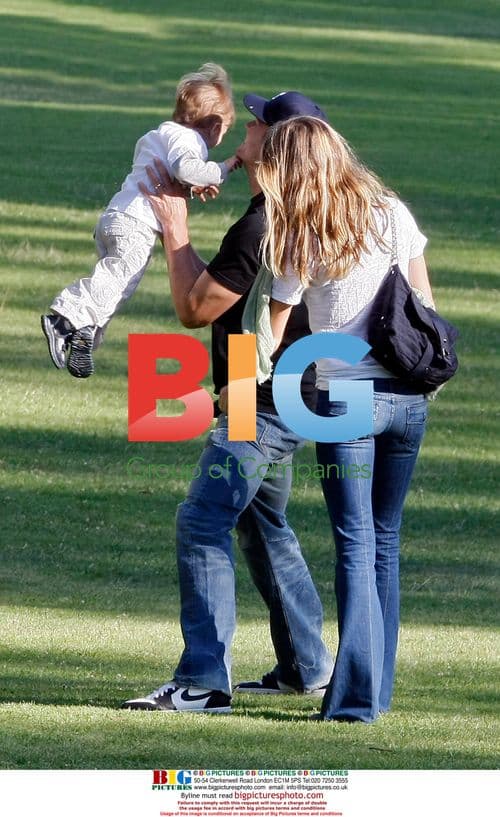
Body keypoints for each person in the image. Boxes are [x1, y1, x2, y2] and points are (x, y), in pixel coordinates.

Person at [121, 92, 334, 713]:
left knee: (202, 520)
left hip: (257, 396)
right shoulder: (293, 212)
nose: (247, 125)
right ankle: (306, 666)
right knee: (260, 522)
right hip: (292, 390)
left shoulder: (262, 227)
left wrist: (175, 227)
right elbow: (221, 297)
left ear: (277, 143)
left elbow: (194, 308)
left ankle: (203, 682)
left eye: (258, 121)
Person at [260, 116, 434, 723]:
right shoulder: (392, 212)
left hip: (349, 397)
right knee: (384, 541)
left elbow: (272, 332)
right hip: (409, 395)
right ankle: (374, 692)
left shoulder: (302, 229)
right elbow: (425, 305)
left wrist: (242, 387)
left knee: (356, 544)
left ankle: (355, 703)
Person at [41, 63, 240, 379]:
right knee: (119, 275)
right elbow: (185, 169)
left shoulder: (161, 134)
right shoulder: (190, 141)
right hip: (136, 222)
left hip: (117, 217)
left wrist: (191, 187)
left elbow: (169, 175)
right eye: (226, 129)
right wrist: (222, 168)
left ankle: (84, 335)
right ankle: (65, 319)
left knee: (118, 284)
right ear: (216, 126)